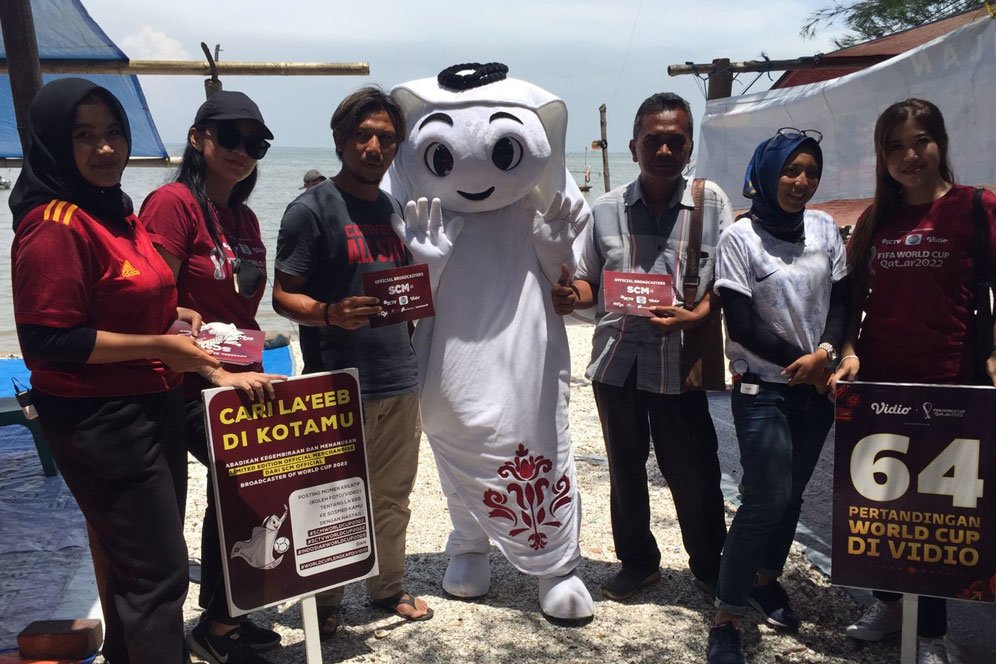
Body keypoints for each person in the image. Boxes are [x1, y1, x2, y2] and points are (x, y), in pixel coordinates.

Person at [10, 78, 218, 663]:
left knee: (141, 569)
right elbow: (47, 340)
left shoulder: (116, 211)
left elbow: (116, 297)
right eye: (83, 136)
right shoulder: (54, 224)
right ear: (54, 144)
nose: (104, 149)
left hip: (152, 401)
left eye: (113, 133)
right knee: (158, 575)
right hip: (99, 418)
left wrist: (168, 315)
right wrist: (159, 343)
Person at [831, 99, 996, 664]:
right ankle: (887, 605)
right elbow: (851, 296)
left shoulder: (976, 207)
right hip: (880, 387)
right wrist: (848, 351)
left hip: (953, 385)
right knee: (881, 506)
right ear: (883, 157)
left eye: (920, 140)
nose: (910, 155)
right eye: (895, 146)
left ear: (940, 143)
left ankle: (930, 634)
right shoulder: (876, 219)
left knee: (939, 517)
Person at [551, 92, 730, 601]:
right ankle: (638, 562)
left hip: (680, 363)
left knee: (694, 470)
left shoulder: (712, 203)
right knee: (625, 470)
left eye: (676, 141)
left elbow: (731, 279)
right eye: (654, 141)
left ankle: (710, 565)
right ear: (634, 147)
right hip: (618, 361)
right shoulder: (605, 209)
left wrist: (698, 314)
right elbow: (590, 281)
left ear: (689, 146)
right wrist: (571, 296)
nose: (665, 151)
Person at [272, 86, 432, 638]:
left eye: (386, 138)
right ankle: (325, 601)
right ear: (340, 140)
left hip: (399, 378)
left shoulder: (394, 209)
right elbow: (282, 295)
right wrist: (328, 313)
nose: (373, 147)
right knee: (332, 498)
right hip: (335, 383)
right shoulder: (310, 210)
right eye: (362, 135)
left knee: (393, 495)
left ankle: (387, 587)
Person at [140, 90, 286, 664]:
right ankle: (217, 627)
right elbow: (150, 303)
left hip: (241, 378)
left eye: (256, 143)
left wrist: (247, 372)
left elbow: (242, 313)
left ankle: (228, 616)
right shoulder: (171, 204)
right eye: (230, 136)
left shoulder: (244, 217)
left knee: (251, 487)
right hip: (186, 382)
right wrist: (213, 370)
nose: (242, 150)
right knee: (246, 482)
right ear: (198, 138)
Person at [705, 128, 849, 664]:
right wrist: (806, 365)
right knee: (765, 496)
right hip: (763, 387)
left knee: (791, 495)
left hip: (815, 388)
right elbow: (740, 325)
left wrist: (826, 353)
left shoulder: (824, 227)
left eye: (811, 171)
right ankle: (725, 617)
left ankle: (766, 581)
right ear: (766, 174)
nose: (801, 181)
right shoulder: (739, 239)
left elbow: (843, 297)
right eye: (791, 170)